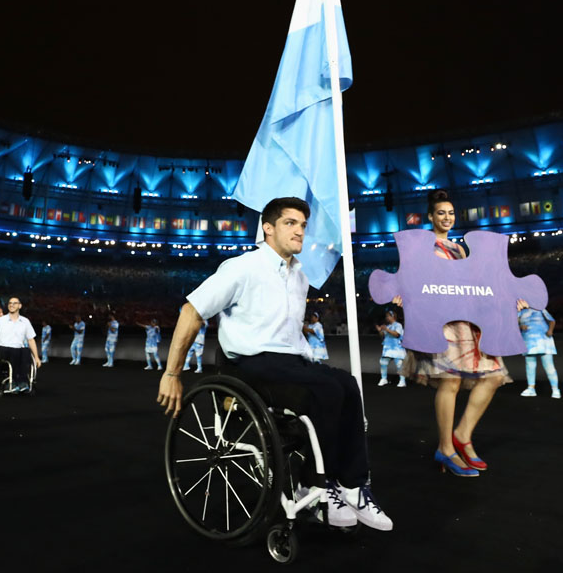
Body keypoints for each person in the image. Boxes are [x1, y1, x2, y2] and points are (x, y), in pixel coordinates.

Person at [157, 197, 393, 531]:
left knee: (348, 385)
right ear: (268, 228)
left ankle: (352, 487)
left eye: (302, 225)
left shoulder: (300, 276)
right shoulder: (242, 268)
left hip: (291, 361)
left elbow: (291, 335)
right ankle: (315, 486)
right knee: (324, 391)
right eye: (290, 223)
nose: (299, 231)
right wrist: (172, 373)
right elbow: (191, 311)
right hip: (250, 364)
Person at [397, 190, 517, 478]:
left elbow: (477, 284)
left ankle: (463, 434)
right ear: (430, 216)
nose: (447, 217)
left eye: (451, 213)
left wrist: (509, 297)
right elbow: (409, 280)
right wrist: (403, 293)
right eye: (441, 213)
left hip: (469, 322)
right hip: (440, 323)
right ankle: (445, 448)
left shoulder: (461, 249)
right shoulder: (420, 247)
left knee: (494, 376)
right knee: (449, 382)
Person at [0, 297, 41, 392]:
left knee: (26, 351)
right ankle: (11, 382)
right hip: (2, 349)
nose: (12, 305)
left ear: (20, 306)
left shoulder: (25, 321)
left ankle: (22, 382)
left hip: (18, 350)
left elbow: (31, 340)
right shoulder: (0, 321)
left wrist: (36, 357)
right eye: (10, 303)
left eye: (15, 303)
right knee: (14, 351)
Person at [518, 307, 561, 399]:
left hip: (543, 340)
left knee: (549, 365)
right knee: (530, 365)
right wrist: (521, 326)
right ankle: (531, 388)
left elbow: (552, 320)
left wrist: (550, 331)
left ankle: (555, 389)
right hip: (528, 340)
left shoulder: (540, 308)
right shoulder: (520, 311)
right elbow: (515, 324)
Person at [376, 308, 406, 387]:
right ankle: (384, 378)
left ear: (393, 316)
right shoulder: (388, 326)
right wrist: (380, 331)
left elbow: (397, 334)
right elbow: (382, 336)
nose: (387, 318)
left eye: (388, 316)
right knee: (383, 362)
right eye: (386, 316)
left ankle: (402, 381)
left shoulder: (398, 325)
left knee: (399, 364)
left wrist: (387, 329)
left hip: (397, 348)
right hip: (388, 348)